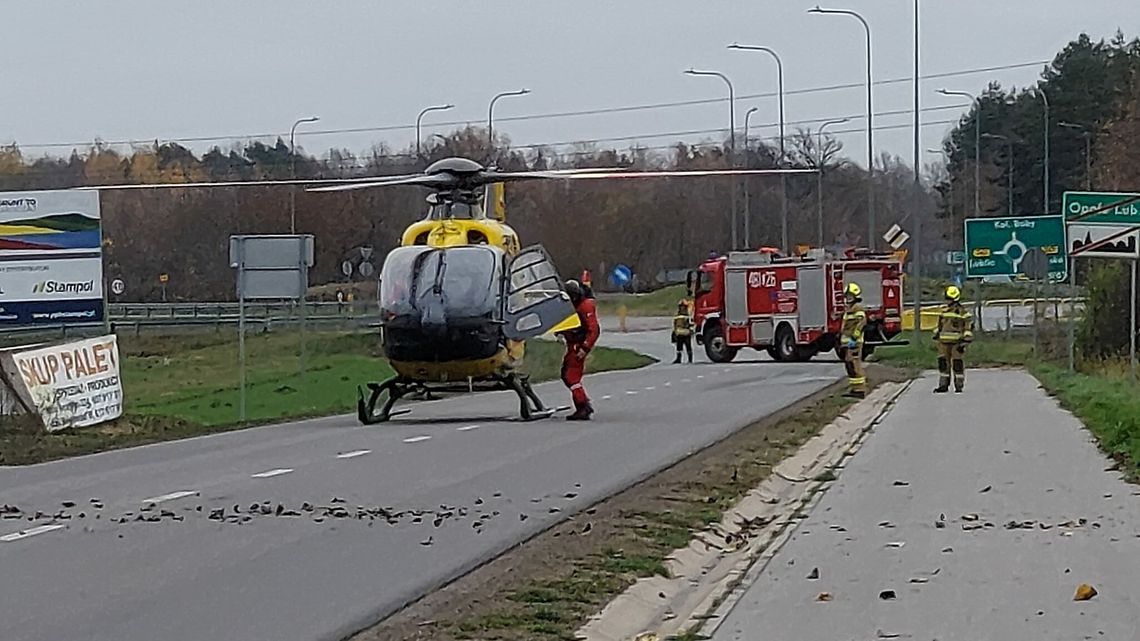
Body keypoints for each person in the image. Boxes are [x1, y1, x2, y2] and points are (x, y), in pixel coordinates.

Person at [558, 279, 600, 420]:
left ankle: (583, 406)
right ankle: (582, 404)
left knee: (571, 377)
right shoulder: (575, 305)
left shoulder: (585, 306)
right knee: (566, 374)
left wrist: (585, 347)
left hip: (578, 345)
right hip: (573, 344)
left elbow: (593, 330)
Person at [933, 284, 974, 393]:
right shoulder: (944, 312)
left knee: (957, 363)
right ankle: (943, 385)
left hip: (957, 343)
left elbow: (968, 328)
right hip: (943, 343)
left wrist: (965, 342)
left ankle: (959, 385)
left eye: (948, 299)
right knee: (943, 364)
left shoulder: (963, 313)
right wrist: (937, 335)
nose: (946, 301)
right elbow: (939, 327)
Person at [839, 282, 867, 399]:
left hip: (854, 342)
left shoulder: (857, 308)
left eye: (850, 296)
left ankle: (860, 390)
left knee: (855, 365)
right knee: (850, 365)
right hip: (848, 342)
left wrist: (854, 338)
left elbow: (861, 323)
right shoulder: (849, 309)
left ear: (855, 297)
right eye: (846, 296)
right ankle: (855, 388)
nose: (847, 298)